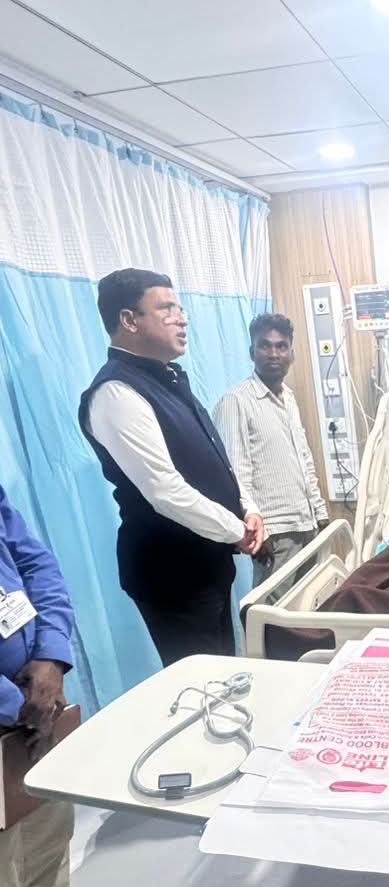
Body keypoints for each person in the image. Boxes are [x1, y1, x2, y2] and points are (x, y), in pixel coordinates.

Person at [0, 486, 133, 887]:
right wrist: (15, 705)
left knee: (46, 826)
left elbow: (35, 563)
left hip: (35, 700)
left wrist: (51, 658)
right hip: (18, 706)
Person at [79, 269, 265, 666]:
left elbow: (214, 457)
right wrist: (236, 530)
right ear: (129, 320)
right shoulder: (116, 392)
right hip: (170, 572)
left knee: (223, 670)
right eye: (166, 309)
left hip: (206, 561)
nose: (181, 319)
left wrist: (247, 508)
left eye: (180, 309)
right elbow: (164, 490)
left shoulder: (169, 379)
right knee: (200, 682)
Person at [213, 313, 328, 584]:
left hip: (307, 524)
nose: (274, 353)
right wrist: (254, 531)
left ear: (291, 354)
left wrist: (321, 514)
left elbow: (304, 460)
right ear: (252, 352)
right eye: (265, 345)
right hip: (274, 532)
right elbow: (234, 474)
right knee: (273, 608)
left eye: (281, 346)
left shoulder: (289, 398)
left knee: (310, 602)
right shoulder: (236, 402)